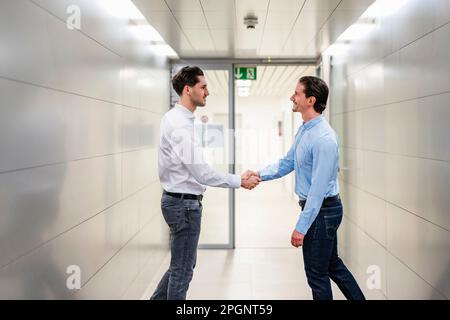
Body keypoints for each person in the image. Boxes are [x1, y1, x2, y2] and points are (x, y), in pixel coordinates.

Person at [245, 76, 365, 300]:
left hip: (323, 212)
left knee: (316, 274)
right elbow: (287, 162)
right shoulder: (306, 130)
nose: (292, 97)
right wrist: (259, 174)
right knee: (332, 266)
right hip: (320, 210)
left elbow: (317, 192)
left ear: (311, 100)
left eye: (297, 93)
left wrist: (301, 227)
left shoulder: (324, 139)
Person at [151, 66, 260, 300]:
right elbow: (202, 173)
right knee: (182, 272)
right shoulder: (179, 124)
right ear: (188, 89)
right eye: (203, 87)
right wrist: (238, 180)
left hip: (178, 202)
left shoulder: (176, 119)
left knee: (180, 266)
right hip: (184, 206)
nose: (207, 92)